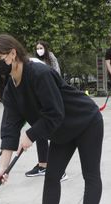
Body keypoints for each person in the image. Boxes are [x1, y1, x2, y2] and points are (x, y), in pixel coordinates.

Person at [0, 34, 103, 204]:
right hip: (61, 132)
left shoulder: (39, 73)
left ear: (13, 53)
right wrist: (3, 168)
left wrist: (31, 135)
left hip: (86, 121)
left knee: (91, 175)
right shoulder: (11, 89)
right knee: (51, 177)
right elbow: (9, 129)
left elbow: (54, 113)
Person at [26, 41, 67, 181]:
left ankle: (59, 169)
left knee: (55, 132)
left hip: (52, 98)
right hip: (38, 101)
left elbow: (56, 75)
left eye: (41, 47)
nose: (39, 50)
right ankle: (43, 165)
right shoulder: (33, 61)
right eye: (37, 48)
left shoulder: (51, 58)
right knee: (40, 131)